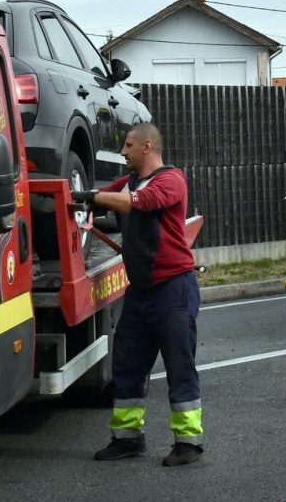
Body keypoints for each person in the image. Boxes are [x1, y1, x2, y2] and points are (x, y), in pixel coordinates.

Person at [73, 122, 203, 467]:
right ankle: (127, 439)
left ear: (148, 147)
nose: (123, 151)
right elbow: (110, 198)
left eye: (129, 145)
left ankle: (188, 442)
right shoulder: (130, 182)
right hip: (141, 292)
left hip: (174, 289)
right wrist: (71, 196)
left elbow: (137, 203)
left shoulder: (170, 181)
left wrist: (90, 197)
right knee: (127, 365)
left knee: (179, 365)